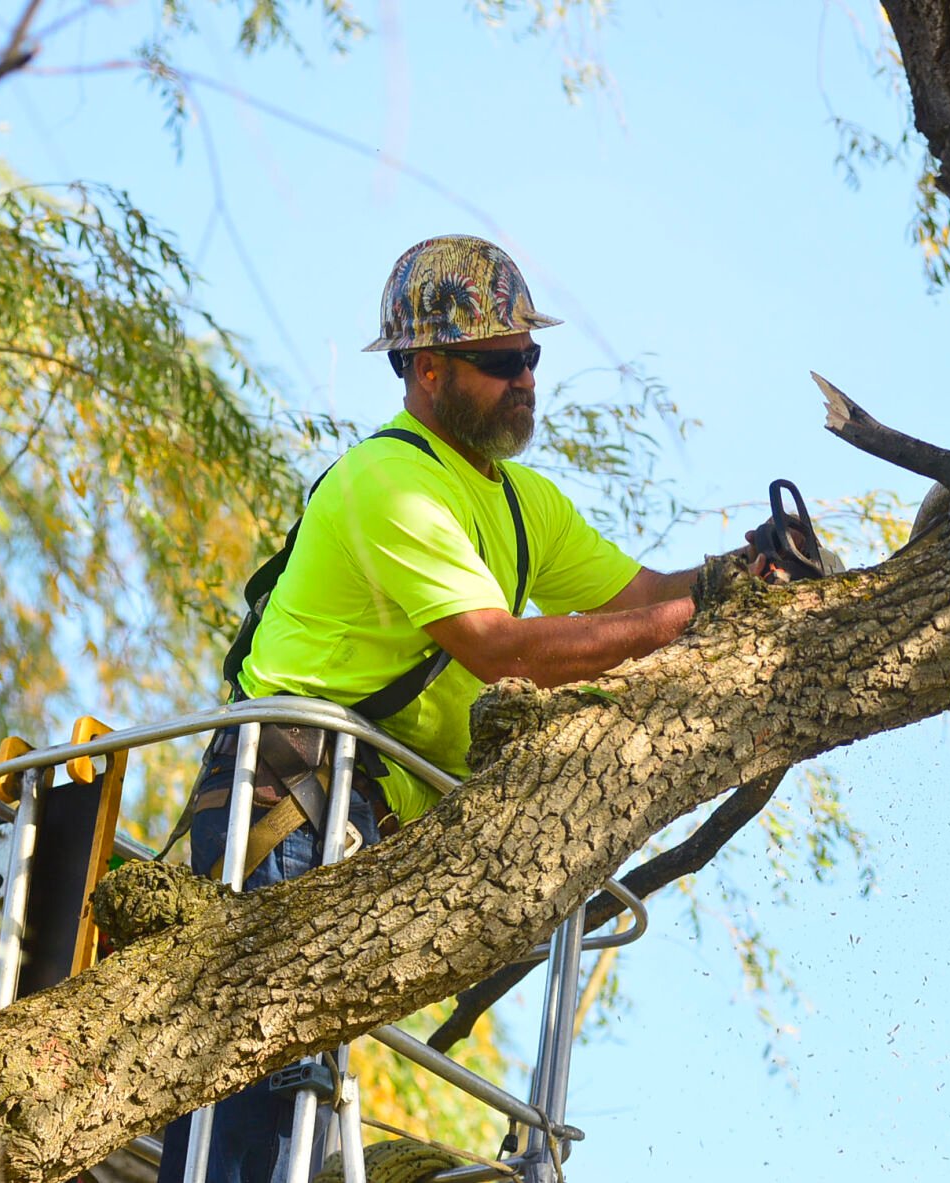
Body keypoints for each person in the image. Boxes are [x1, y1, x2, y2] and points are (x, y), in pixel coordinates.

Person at [157, 234, 813, 1183]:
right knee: (260, 1078)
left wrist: (733, 580)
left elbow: (635, 600)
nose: (525, 379)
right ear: (427, 369)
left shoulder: (518, 503)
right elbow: (498, 648)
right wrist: (685, 619)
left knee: (306, 1076)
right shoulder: (389, 481)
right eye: (501, 361)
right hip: (290, 789)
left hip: (371, 811)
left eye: (532, 357)